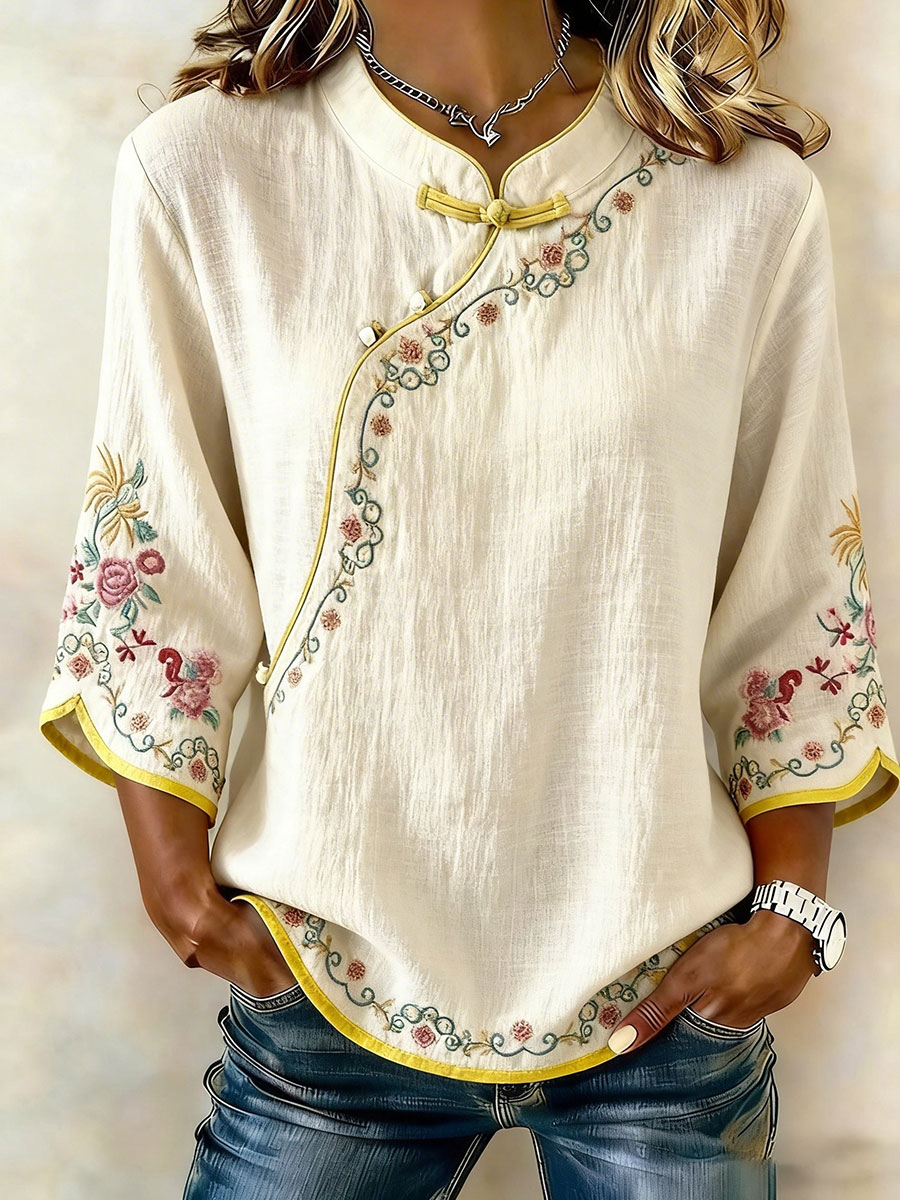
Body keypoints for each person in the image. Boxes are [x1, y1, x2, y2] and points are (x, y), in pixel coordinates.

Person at [37, 1, 898, 1196]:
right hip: (323, 980)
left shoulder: (739, 199)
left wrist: (793, 917)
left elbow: (792, 582)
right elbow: (160, 548)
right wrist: (174, 881)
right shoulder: (207, 174)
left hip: (665, 998)